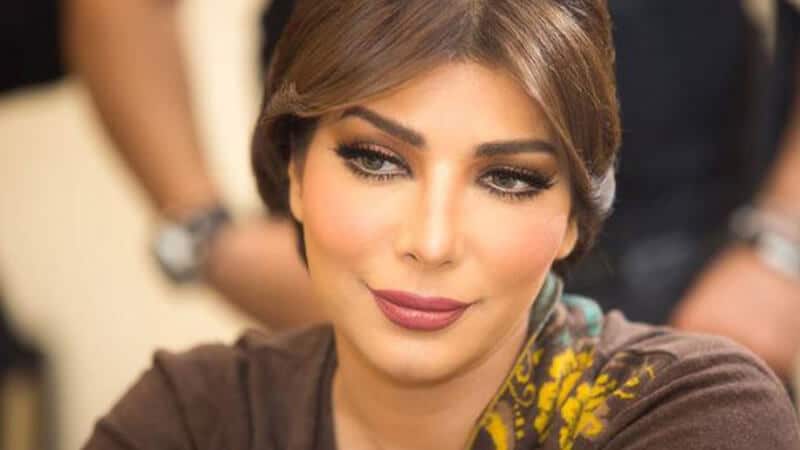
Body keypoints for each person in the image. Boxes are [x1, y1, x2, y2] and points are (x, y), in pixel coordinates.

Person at [83, 1, 800, 449]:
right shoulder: (192, 416)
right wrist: (205, 231)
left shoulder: (696, 418)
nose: (431, 242)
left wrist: (782, 247)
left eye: (509, 178)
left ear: (574, 217)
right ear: (294, 174)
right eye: (376, 162)